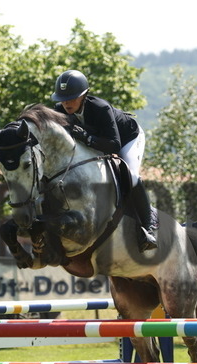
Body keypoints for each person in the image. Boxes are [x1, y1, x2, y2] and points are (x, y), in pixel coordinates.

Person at [51, 69, 157, 252]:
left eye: (71, 98)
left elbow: (114, 145)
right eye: (63, 98)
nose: (66, 102)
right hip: (99, 143)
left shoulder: (101, 108)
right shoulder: (60, 111)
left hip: (127, 138)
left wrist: (87, 138)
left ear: (84, 95)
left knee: (131, 177)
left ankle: (149, 228)